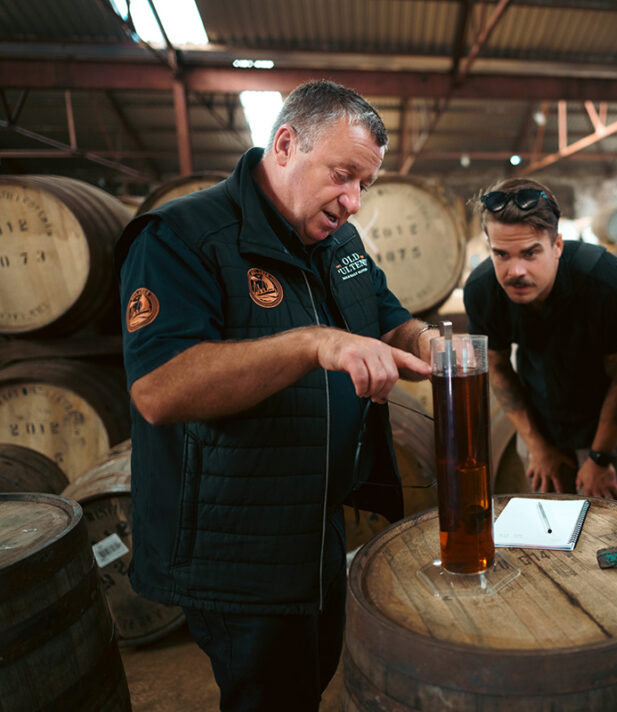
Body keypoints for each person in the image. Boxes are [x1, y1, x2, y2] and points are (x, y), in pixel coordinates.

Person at [116, 80, 435, 712]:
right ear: (286, 144)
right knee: (269, 694)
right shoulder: (182, 237)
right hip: (237, 541)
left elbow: (388, 314)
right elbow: (158, 388)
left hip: (314, 520)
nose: (354, 202)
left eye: (364, 185)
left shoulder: (338, 240)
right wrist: (312, 343)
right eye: (344, 175)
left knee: (309, 676)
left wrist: (430, 341)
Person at [463, 178, 617, 501]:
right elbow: (498, 368)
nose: (515, 270)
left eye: (530, 253)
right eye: (501, 254)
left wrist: (600, 458)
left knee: (609, 529)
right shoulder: (482, 291)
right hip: (541, 416)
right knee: (546, 528)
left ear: (557, 246)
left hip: (607, 418)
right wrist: (538, 446)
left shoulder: (606, 282)